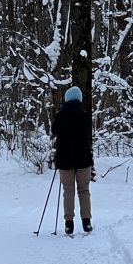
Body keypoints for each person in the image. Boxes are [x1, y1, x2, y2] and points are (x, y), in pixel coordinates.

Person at [51, 85, 94, 235]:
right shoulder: (85, 116)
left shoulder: (60, 116)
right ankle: (86, 222)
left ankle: (69, 223)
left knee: (68, 191)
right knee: (84, 190)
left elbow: (54, 131)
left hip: (65, 160)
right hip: (83, 159)